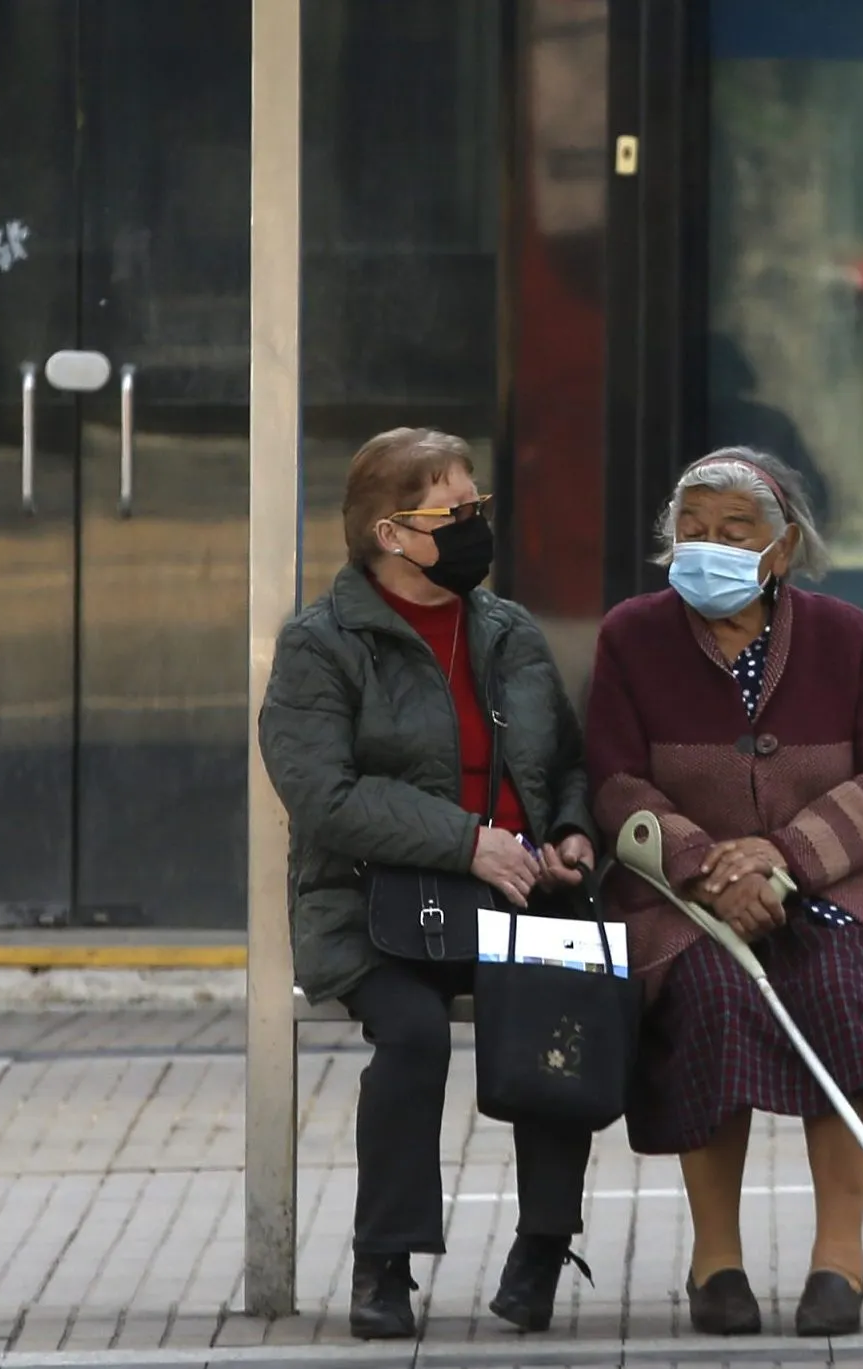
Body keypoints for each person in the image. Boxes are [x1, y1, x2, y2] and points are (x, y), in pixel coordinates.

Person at [257, 427, 601, 1341]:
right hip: (371, 902)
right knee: (413, 1035)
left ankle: (540, 1248)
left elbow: (564, 759)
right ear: (391, 533)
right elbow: (323, 795)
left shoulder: (507, 630)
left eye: (477, 507)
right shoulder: (321, 645)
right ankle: (385, 1261)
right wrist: (467, 842)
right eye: (455, 512)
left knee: (561, 1015)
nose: (475, 526)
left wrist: (568, 829)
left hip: (518, 892)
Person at [583, 447, 863, 1338]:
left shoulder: (842, 634)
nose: (708, 546)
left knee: (834, 990)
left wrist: (781, 858)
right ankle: (717, 1262)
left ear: (779, 549)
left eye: (734, 533)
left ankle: (839, 1260)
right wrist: (705, 865)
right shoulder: (632, 634)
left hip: (823, 891)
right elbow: (614, 783)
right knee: (706, 996)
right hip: (684, 900)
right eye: (691, 529)